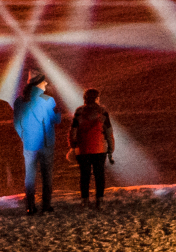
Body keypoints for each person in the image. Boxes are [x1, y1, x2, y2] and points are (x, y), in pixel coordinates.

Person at [13, 73, 62, 215]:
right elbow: (56, 120)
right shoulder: (48, 100)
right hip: (46, 144)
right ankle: (46, 205)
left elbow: (17, 123)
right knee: (47, 176)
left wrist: (24, 136)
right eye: (44, 82)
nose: (46, 84)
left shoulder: (20, 101)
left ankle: (30, 206)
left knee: (29, 177)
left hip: (29, 144)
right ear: (39, 84)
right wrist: (58, 112)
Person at [69, 89, 116, 208]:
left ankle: (84, 200)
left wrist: (73, 145)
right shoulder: (102, 111)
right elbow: (108, 130)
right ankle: (99, 200)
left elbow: (73, 130)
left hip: (83, 148)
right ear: (96, 98)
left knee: (84, 176)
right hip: (99, 147)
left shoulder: (79, 112)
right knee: (99, 175)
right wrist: (111, 145)